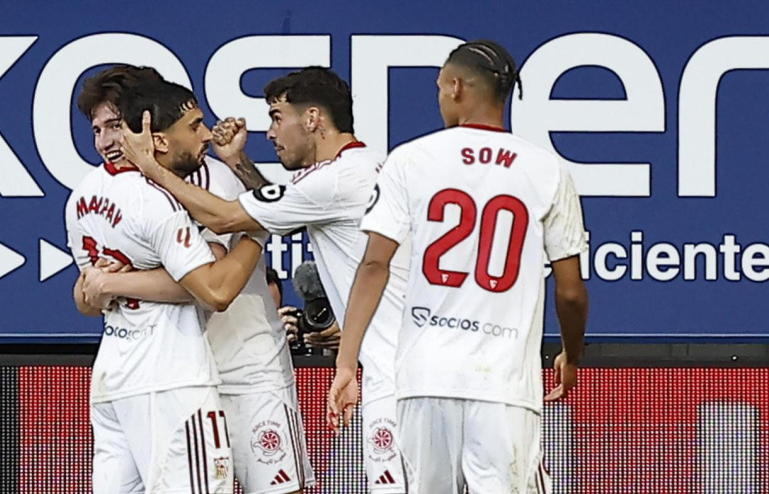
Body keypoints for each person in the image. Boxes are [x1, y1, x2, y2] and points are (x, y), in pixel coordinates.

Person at [119, 67, 412, 493]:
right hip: (415, 365)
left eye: (277, 117)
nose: (270, 132)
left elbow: (226, 216)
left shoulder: (335, 180)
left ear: (312, 119)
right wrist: (236, 161)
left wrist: (152, 169)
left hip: (396, 373)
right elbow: (287, 215)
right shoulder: (358, 168)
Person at [328, 39, 589, 493]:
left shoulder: (409, 159)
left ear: (455, 87)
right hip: (504, 384)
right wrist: (571, 355)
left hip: (424, 377)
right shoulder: (548, 170)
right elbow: (569, 291)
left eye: (439, 87)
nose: (438, 96)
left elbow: (374, 265)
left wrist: (347, 363)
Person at [75, 67, 314, 494]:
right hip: (177, 370)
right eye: (98, 130)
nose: (109, 141)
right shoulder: (111, 194)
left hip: (247, 364)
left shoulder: (215, 175)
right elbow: (88, 294)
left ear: (148, 125)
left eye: (116, 125)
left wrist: (239, 165)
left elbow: (225, 269)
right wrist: (99, 285)